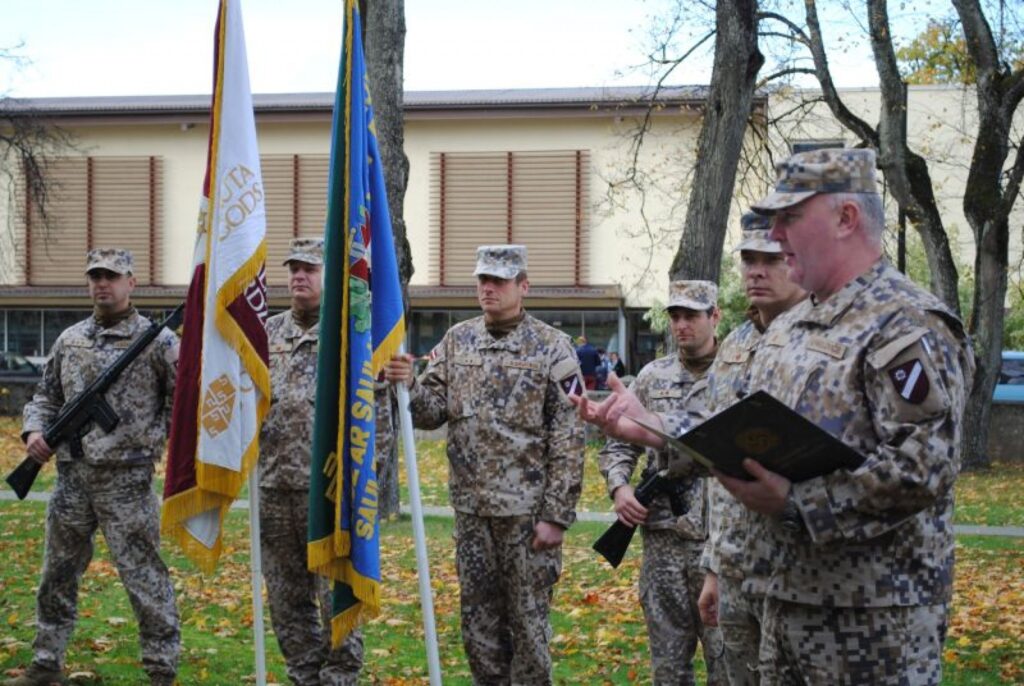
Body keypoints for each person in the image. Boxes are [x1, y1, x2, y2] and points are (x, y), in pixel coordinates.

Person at [578, 148, 974, 686]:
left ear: (846, 218)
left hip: (874, 615)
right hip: (782, 601)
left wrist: (797, 502)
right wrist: (649, 426)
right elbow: (734, 430)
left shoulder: (905, 324)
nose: (777, 235)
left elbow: (923, 466)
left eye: (790, 218)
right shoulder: (787, 328)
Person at [385, 244, 585, 685]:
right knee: (478, 628)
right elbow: (430, 411)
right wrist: (408, 385)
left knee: (528, 628)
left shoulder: (553, 347)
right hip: (473, 513)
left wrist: (557, 515)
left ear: (523, 286)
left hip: (526, 517)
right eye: (482, 279)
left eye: (499, 280)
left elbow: (569, 436)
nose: (488, 288)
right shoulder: (457, 340)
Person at [11, 249, 180, 686]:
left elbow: (182, 401)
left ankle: (161, 668)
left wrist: (151, 436)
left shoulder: (159, 341)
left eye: (111, 276)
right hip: (72, 478)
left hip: (128, 481)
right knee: (57, 574)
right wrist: (34, 432)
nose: (102, 283)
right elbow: (46, 395)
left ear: (131, 282)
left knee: (145, 576)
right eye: (95, 276)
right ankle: (46, 662)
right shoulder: (70, 339)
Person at [696, 213, 807, 686]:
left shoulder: (820, 338)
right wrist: (714, 568)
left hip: (797, 574)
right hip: (736, 569)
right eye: (748, 259)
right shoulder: (734, 345)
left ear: (797, 259)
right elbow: (719, 468)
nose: (756, 271)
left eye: (770, 259)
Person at [598, 280, 726, 686]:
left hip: (720, 544)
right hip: (663, 542)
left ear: (715, 316)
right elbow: (619, 443)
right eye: (675, 316)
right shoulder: (653, 377)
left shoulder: (737, 372)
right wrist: (620, 487)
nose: (681, 325)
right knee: (668, 667)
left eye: (692, 316)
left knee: (728, 666)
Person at [258, 237, 363, 686]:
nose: (299, 276)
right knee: (286, 596)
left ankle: (339, 676)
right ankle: (303, 675)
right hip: (273, 485)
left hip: (330, 489)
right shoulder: (263, 335)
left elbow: (373, 417)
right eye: (294, 269)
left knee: (336, 593)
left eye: (310, 269)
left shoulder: (350, 334)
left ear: (330, 276)